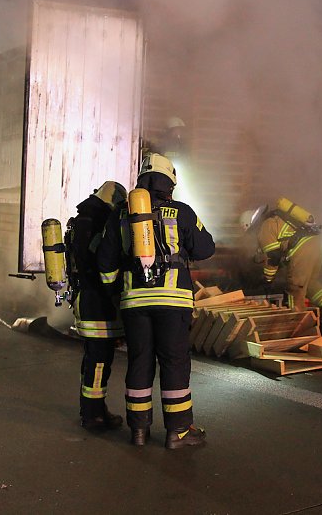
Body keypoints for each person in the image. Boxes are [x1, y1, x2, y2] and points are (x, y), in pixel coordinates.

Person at [97, 152, 215, 449]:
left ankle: (138, 431)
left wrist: (116, 293)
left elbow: (106, 262)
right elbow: (205, 248)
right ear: (170, 184)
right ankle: (178, 432)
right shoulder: (182, 211)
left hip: (134, 303)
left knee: (140, 362)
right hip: (173, 302)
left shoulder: (121, 214)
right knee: (174, 363)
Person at [66, 181, 127, 430]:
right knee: (100, 361)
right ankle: (94, 415)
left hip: (84, 298)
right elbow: (105, 263)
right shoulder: (101, 222)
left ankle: (92, 409)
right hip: (99, 302)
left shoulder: (80, 221)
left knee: (93, 358)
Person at [243, 197, 322, 313]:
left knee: (294, 288)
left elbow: (273, 257)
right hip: (315, 244)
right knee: (310, 283)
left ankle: (296, 322)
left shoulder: (264, 228)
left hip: (302, 250)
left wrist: (268, 280)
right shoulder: (275, 219)